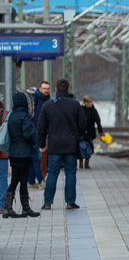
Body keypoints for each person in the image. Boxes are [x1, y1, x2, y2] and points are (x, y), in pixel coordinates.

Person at [37, 78, 87, 211]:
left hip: (54, 145)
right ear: (68, 89)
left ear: (56, 89)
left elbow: (41, 127)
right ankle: (70, 202)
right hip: (71, 145)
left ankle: (47, 203)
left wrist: (41, 144)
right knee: (70, 172)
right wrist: (79, 136)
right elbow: (83, 124)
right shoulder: (75, 104)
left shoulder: (48, 105)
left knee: (52, 173)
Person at [3, 93, 39, 219]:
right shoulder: (24, 116)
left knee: (14, 180)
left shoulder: (11, 115)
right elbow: (27, 134)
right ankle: (26, 208)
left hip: (13, 153)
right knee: (23, 181)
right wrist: (33, 141)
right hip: (24, 153)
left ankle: (7, 208)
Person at [26, 81, 50, 189]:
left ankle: (31, 182)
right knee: (37, 156)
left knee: (34, 157)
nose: (46, 90)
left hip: (40, 131)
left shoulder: (47, 100)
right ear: (39, 89)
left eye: (48, 88)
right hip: (35, 131)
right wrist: (34, 129)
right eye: (44, 88)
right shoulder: (35, 98)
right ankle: (40, 180)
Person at [81, 96, 104, 169]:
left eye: (91, 102)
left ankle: (87, 162)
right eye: (90, 102)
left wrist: (100, 132)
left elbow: (98, 121)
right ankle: (81, 161)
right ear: (85, 103)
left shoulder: (93, 111)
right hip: (82, 132)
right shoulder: (81, 110)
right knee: (81, 147)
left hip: (90, 132)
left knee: (89, 148)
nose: (91, 104)